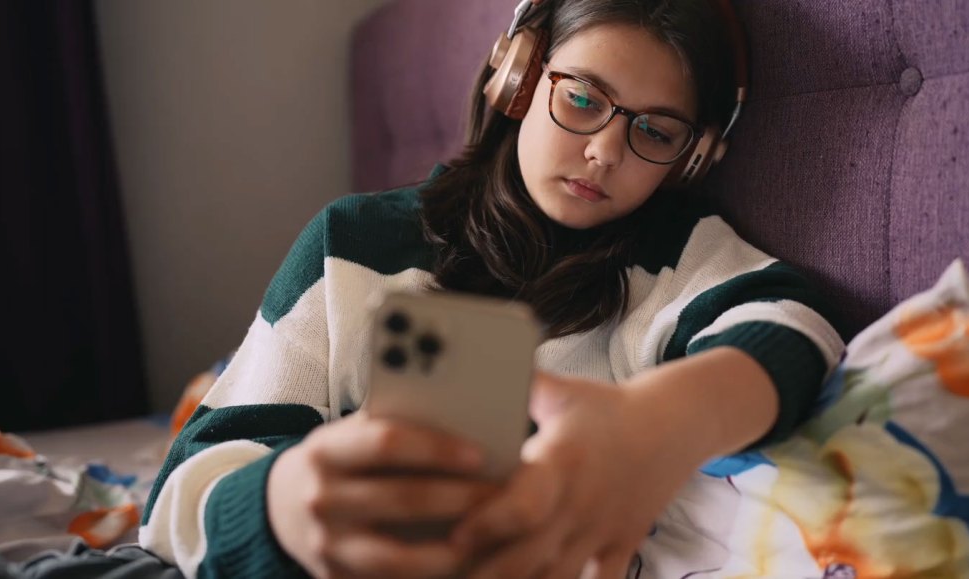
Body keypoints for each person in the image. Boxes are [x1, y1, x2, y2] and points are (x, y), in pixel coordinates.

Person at [139, 0, 844, 577]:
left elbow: (792, 324)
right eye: (582, 98)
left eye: (655, 133)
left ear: (691, 158)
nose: (605, 151)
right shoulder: (352, 242)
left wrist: (651, 424)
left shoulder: (676, 256)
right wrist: (279, 507)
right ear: (518, 77)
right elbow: (182, 490)